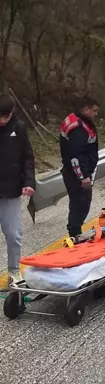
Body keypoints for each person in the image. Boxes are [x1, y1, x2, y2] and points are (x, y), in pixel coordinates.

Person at [0, 95, 35, 285]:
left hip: (10, 191)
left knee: (13, 235)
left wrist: (29, 181)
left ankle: (14, 271)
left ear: (12, 113)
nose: (1, 121)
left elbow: (27, 157)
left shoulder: (19, 128)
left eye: (5, 116)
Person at [60, 98, 100, 238]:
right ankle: (75, 235)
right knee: (80, 204)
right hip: (76, 174)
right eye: (94, 111)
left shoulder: (75, 119)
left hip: (74, 171)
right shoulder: (79, 128)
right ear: (86, 110)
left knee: (79, 203)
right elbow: (76, 156)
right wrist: (83, 177)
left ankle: (75, 231)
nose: (96, 114)